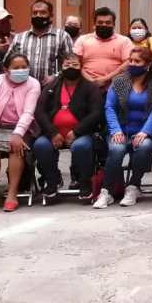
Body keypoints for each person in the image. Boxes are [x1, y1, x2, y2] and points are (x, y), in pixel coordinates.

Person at [95, 47, 152, 209]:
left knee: (144, 146)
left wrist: (145, 131)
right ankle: (107, 191)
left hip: (142, 131)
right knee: (117, 150)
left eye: (137, 61)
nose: (132, 64)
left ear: (148, 64)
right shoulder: (120, 80)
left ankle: (134, 186)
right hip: (120, 130)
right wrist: (115, 130)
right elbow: (109, 107)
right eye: (130, 60)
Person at [32, 53, 103, 201]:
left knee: (81, 147)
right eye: (67, 65)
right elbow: (39, 111)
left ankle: (84, 183)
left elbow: (96, 112)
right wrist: (52, 133)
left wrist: (76, 132)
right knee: (40, 145)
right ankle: (52, 182)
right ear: (61, 67)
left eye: (75, 65)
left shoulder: (90, 87)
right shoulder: (51, 86)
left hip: (82, 134)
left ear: (81, 67)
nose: (71, 68)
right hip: (54, 133)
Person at [0, 53, 41, 213]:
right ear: (6, 69)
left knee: (16, 147)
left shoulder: (33, 84)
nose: (21, 70)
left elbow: (28, 113)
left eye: (24, 67)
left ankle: (12, 193)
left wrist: (18, 133)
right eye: (16, 68)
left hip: (23, 128)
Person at [7, 0, 73, 84]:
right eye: (35, 13)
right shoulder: (19, 37)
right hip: (24, 87)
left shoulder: (62, 36)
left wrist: (55, 77)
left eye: (43, 12)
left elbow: (71, 63)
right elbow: (7, 64)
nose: (38, 15)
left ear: (51, 15)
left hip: (52, 88)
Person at [73, 7, 134, 87]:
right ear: (94, 25)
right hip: (86, 85)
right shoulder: (83, 40)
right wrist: (91, 81)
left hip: (116, 86)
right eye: (100, 22)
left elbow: (128, 63)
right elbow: (75, 62)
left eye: (108, 22)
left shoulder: (124, 41)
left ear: (114, 24)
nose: (104, 25)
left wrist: (106, 79)